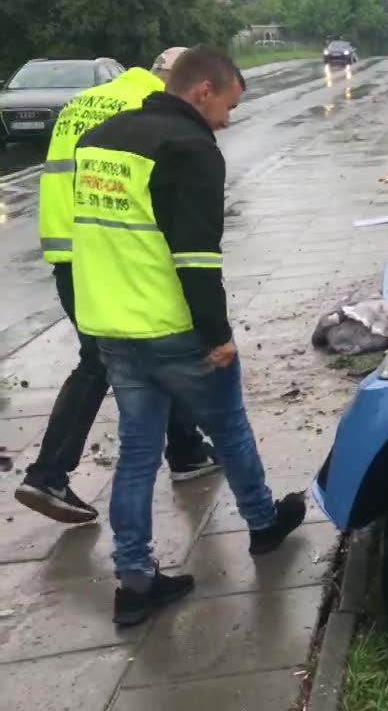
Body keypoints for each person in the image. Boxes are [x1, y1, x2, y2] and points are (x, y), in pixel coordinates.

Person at [70, 45, 306, 625]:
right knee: (228, 428)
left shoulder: (98, 140)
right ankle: (263, 524)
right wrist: (218, 334)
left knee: (137, 454)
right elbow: (197, 259)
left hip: (112, 326)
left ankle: (134, 582)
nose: (228, 120)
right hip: (173, 326)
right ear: (203, 90)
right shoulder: (191, 148)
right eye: (228, 106)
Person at [15, 47, 222, 527]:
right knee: (104, 357)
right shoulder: (155, 107)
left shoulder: (87, 100)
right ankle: (48, 473)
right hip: (107, 251)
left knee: (140, 348)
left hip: (67, 245)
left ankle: (187, 450)